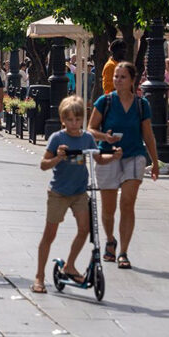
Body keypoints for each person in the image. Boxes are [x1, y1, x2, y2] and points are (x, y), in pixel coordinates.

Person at [33, 96, 121, 293]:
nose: (74, 123)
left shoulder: (87, 138)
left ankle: (70, 265)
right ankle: (39, 276)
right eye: (70, 119)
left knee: (85, 229)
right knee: (50, 234)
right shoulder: (57, 138)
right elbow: (43, 165)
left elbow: (99, 159)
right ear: (63, 120)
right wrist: (58, 157)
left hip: (80, 192)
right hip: (58, 192)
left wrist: (113, 156)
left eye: (78, 119)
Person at [87, 61, 159, 270]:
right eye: (116, 77)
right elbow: (91, 129)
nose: (118, 80)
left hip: (134, 156)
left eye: (122, 77)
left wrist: (155, 162)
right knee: (108, 209)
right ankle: (110, 240)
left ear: (132, 80)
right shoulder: (105, 101)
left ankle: (124, 252)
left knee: (127, 202)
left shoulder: (141, 105)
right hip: (108, 156)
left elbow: (148, 134)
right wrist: (105, 137)